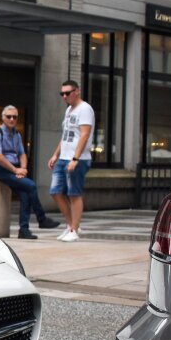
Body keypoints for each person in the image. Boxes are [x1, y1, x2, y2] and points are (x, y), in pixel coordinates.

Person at [0, 105, 58, 239]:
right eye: (9, 116)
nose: (12, 119)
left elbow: (22, 154)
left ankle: (24, 230)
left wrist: (23, 169)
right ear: (3, 118)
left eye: (15, 117)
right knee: (30, 185)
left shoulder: (17, 134)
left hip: (15, 169)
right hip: (1, 169)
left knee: (26, 194)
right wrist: (15, 170)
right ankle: (41, 219)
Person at [47, 79, 94, 242]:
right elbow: (66, 135)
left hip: (77, 159)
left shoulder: (85, 109)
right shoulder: (69, 110)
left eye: (67, 93)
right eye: (62, 93)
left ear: (77, 91)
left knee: (74, 193)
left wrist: (75, 158)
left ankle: (74, 229)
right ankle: (71, 226)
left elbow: (85, 135)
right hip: (63, 157)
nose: (64, 96)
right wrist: (55, 154)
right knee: (55, 191)